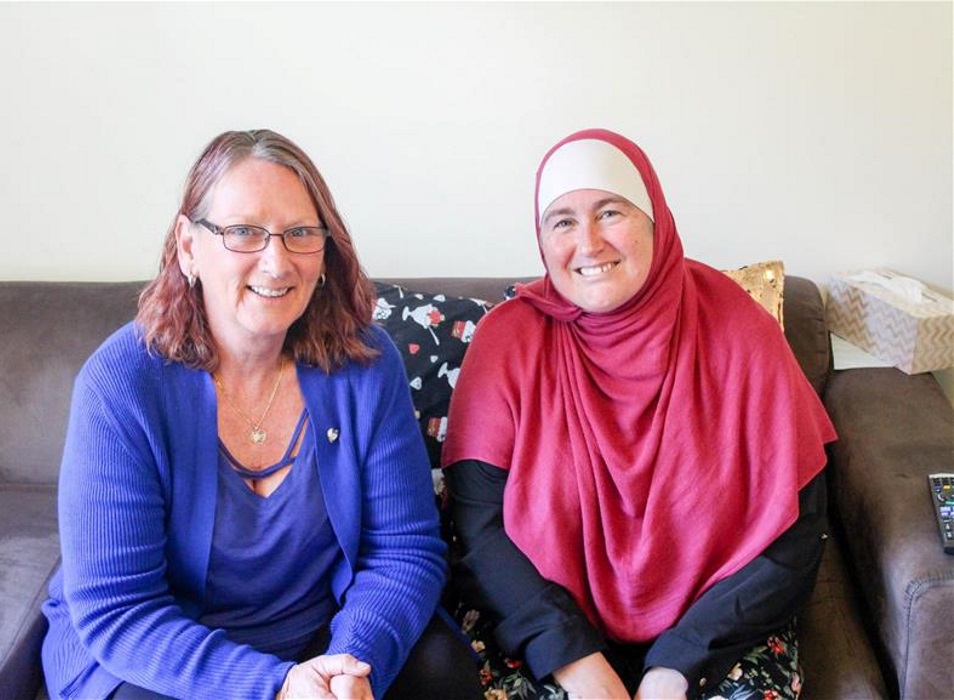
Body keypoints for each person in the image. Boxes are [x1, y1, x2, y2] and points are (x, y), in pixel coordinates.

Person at [41, 129, 480, 700]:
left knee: (443, 671)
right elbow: (119, 609)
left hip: (324, 643)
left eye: (299, 233)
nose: (276, 262)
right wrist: (275, 687)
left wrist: (350, 664)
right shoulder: (120, 384)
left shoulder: (366, 365)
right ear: (188, 245)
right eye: (243, 232)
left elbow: (404, 550)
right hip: (161, 655)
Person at [442, 128, 837, 700]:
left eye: (610, 212)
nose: (590, 243)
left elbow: (796, 533)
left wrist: (678, 665)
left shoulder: (738, 330)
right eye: (562, 221)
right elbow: (479, 533)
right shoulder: (507, 342)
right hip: (542, 634)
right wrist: (574, 661)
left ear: (655, 216)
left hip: (718, 633)